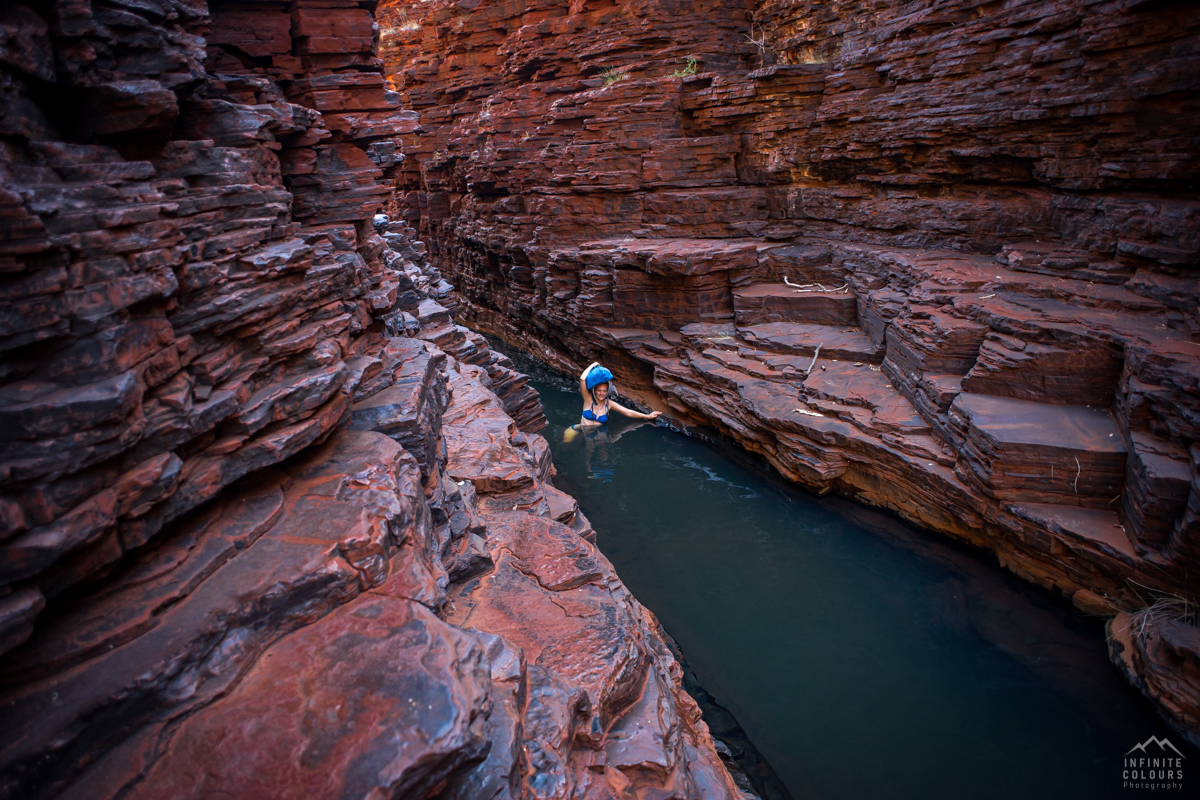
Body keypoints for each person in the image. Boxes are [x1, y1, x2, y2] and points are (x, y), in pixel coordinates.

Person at [563, 362, 661, 442]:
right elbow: (582, 379)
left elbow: (628, 412)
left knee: (592, 451)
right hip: (578, 429)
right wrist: (593, 365)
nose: (601, 393)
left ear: (608, 391)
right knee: (566, 444)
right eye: (599, 391)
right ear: (595, 391)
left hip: (596, 435)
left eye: (604, 391)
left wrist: (648, 416)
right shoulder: (588, 399)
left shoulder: (609, 404)